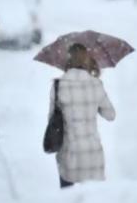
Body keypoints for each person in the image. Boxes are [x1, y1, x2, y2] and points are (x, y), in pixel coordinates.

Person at [48, 43, 116, 188]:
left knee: (68, 198)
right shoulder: (96, 84)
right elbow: (111, 115)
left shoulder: (58, 86)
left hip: (69, 157)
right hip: (93, 157)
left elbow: (52, 121)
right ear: (86, 59)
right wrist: (93, 105)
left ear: (68, 59)